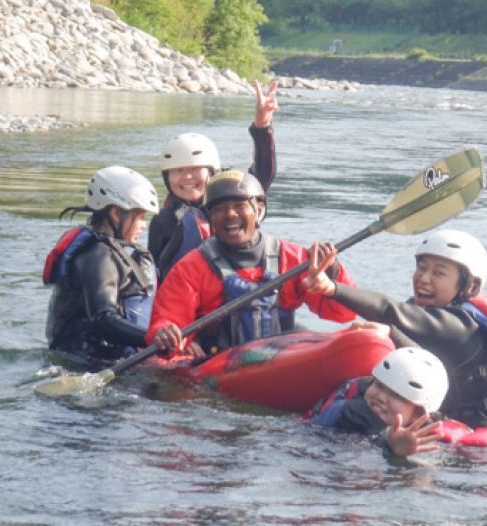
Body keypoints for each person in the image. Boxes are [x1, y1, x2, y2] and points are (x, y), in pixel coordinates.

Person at [305, 229, 487, 427]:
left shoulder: (463, 327)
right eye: (422, 268)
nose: (424, 278)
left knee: (352, 412)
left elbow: (389, 310)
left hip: (467, 432)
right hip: (435, 412)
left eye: (439, 273)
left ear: (470, 286)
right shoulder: (425, 310)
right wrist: (333, 271)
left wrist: (332, 288)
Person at [147, 169, 357, 357]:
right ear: (210, 216)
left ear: (259, 210)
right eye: (219, 208)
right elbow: (168, 319)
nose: (230, 214)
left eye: (240, 205)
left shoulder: (293, 259)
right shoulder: (191, 268)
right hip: (217, 365)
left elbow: (342, 313)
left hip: (281, 357)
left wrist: (333, 272)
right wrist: (165, 333)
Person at [148, 80, 278, 284]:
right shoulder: (165, 221)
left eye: (194, 169)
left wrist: (262, 129)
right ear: (167, 177)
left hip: (234, 291)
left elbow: (260, 176)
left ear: (212, 172)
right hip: (186, 297)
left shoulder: (230, 206)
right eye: (178, 171)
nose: (187, 177)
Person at [43, 165, 159, 365]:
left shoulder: (108, 250)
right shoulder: (98, 255)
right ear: (116, 213)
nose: (144, 225)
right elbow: (103, 318)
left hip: (91, 360)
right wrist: (151, 338)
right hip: (85, 364)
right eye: (139, 216)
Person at [309, 347, 448, 457]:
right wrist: (387, 442)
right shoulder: (345, 411)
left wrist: (399, 455)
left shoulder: (433, 442)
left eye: (396, 395)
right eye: (379, 385)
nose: (380, 397)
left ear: (418, 414)